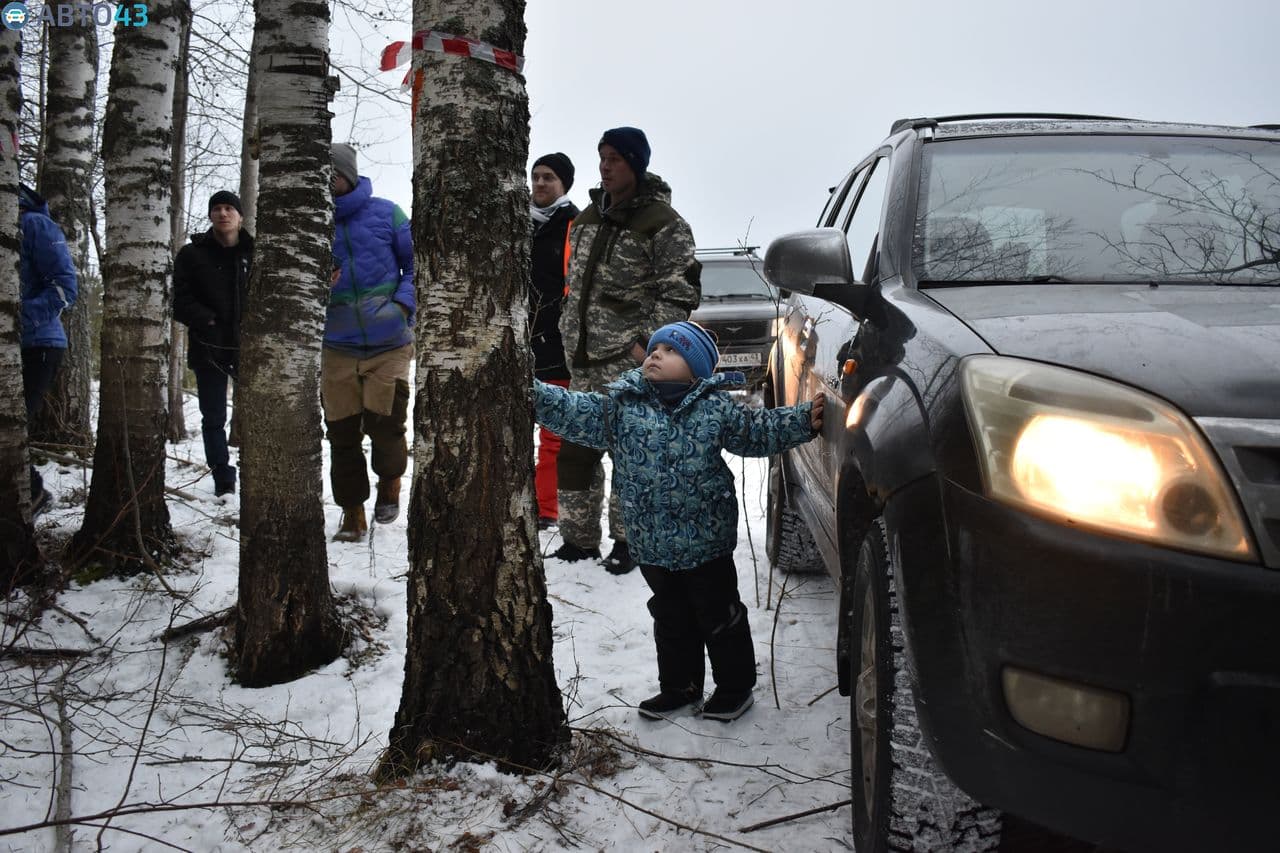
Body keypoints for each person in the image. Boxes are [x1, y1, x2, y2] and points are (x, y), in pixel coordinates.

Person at [534, 321, 825, 722]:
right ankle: (679, 686)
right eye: (655, 349)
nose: (655, 354)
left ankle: (734, 688)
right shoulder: (623, 405)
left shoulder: (715, 408)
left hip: (707, 539)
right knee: (670, 618)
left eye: (671, 351)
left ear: (696, 368)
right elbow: (575, 411)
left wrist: (802, 420)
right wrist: (533, 393)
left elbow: (756, 432)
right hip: (651, 542)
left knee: (720, 616)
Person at [557, 126, 701, 574]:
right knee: (576, 454)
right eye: (602, 156)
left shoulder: (663, 223)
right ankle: (578, 543)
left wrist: (646, 348)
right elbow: (574, 285)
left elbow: (678, 295)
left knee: (630, 454)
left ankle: (629, 542)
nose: (605, 165)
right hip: (582, 358)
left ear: (635, 164)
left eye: (615, 158)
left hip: (628, 362)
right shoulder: (586, 218)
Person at [324, 142, 415, 541]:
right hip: (336, 344)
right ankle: (351, 512)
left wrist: (402, 307)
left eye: (334, 174)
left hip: (389, 342)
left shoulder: (387, 212)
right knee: (342, 433)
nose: (329, 182)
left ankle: (390, 484)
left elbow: (416, 263)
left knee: (387, 424)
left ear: (349, 173)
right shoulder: (312, 221)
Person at [173, 190, 254, 497]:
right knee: (214, 417)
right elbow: (179, 301)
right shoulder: (192, 255)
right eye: (217, 208)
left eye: (229, 208)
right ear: (210, 215)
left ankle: (255, 467)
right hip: (209, 346)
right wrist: (206, 319)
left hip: (250, 348)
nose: (223, 213)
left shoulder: (255, 252)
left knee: (259, 413)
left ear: (240, 216)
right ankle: (223, 476)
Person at [18, 184, 79, 516]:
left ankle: (35, 495)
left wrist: (14, 319)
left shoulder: (34, 224)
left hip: (38, 344)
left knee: (8, 430)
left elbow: (65, 287)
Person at [529, 152, 579, 529]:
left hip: (558, 347)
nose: (540, 184)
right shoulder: (516, 221)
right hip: (516, 344)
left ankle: (547, 509)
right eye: (536, 177)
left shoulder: (574, 225)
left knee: (553, 436)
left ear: (564, 184)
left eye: (549, 178)